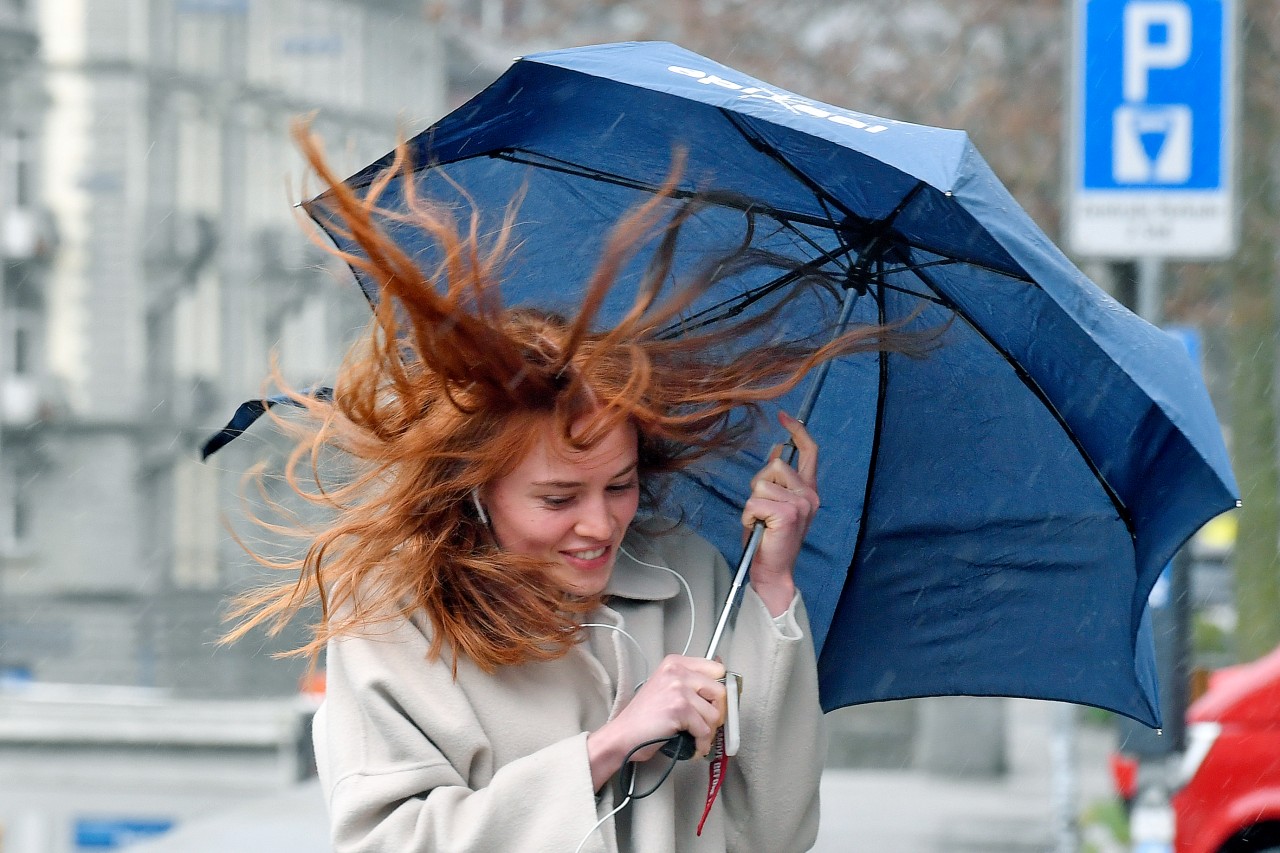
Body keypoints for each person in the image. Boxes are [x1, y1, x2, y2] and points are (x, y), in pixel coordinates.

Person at [226, 125, 928, 852]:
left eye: (620, 486)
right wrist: (608, 747)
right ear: (476, 488)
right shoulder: (395, 620)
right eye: (558, 499)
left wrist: (772, 588)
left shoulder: (689, 577)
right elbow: (389, 842)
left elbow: (776, 830)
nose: (600, 524)